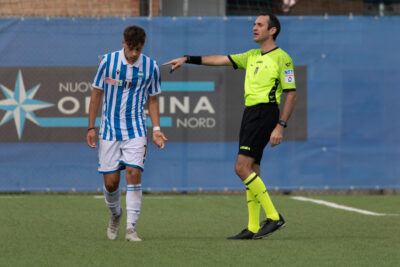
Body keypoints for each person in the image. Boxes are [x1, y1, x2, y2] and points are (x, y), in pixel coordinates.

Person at [164, 13, 296, 240]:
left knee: (240, 167)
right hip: (250, 113)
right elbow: (219, 59)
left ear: (272, 31)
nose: (254, 27)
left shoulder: (282, 58)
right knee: (252, 169)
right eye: (253, 24)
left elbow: (291, 94)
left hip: (265, 112)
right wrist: (187, 58)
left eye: (260, 24)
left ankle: (274, 217)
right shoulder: (252, 55)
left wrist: (280, 125)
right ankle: (253, 227)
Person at [87, 25, 167, 242]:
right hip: (110, 130)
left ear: (142, 47)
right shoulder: (108, 62)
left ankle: (131, 228)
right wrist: (91, 127)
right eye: (131, 48)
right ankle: (116, 214)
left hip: (136, 129)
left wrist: (157, 130)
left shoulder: (151, 67)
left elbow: (152, 99)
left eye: (138, 50)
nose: (133, 54)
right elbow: (96, 94)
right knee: (111, 183)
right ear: (123, 43)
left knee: (134, 173)